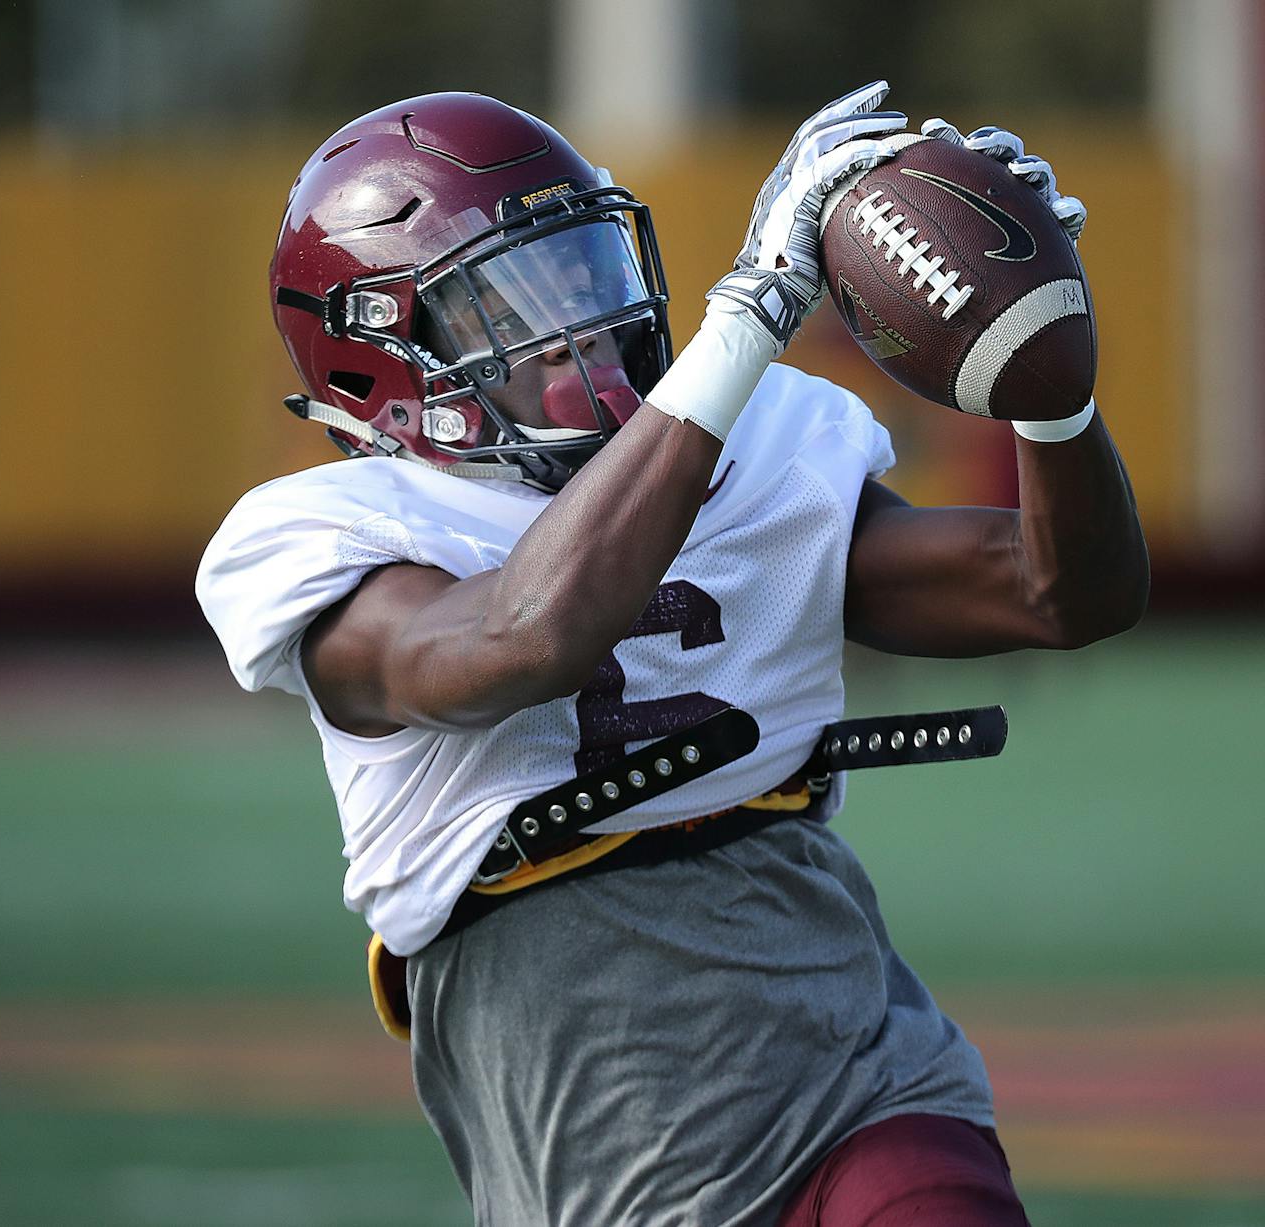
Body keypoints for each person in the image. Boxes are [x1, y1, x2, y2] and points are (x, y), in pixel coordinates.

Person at [197, 84, 1148, 1227]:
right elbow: (521, 639)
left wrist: (1046, 395)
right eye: (506, 300)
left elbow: (1059, 595)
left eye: (582, 271)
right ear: (376, 359)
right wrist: (747, 314)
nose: (579, 325)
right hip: (578, 1046)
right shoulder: (325, 533)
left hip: (828, 994)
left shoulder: (757, 444)